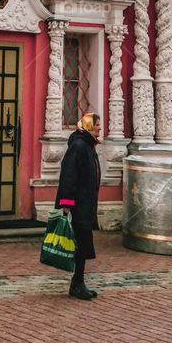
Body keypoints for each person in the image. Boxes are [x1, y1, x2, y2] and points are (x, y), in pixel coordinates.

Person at [55, 112, 102, 301]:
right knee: (80, 245)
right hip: (78, 205)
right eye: (97, 125)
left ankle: (78, 282)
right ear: (90, 126)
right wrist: (66, 204)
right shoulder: (79, 146)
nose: (100, 128)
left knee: (82, 245)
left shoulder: (87, 145)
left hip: (85, 203)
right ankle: (77, 284)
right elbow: (69, 175)